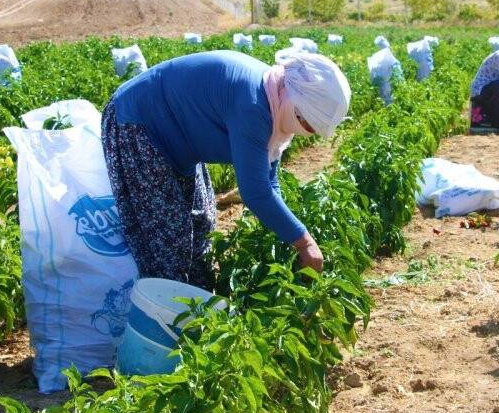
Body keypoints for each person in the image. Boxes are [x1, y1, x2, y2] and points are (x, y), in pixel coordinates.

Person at [101, 48, 351, 288]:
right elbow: (255, 192)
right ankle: (170, 318)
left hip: (179, 142)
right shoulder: (254, 104)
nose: (306, 132)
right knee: (168, 241)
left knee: (202, 222)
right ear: (294, 102)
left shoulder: (276, 97)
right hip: (139, 125)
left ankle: (200, 303)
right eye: (306, 124)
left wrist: (286, 231)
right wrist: (303, 242)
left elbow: (269, 181)